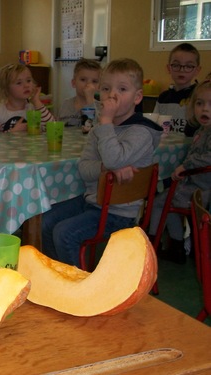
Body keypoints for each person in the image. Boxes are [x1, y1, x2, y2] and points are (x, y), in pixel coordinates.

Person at [41, 58, 162, 267]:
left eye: (122, 89)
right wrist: (106, 168)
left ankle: (80, 289)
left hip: (120, 212)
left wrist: (106, 123)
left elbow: (114, 158)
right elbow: (84, 168)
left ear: (137, 97)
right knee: (46, 221)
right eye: (106, 88)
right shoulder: (99, 129)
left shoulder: (140, 132)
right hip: (93, 201)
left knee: (64, 233)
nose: (112, 95)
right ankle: (61, 276)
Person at [148, 79, 211, 264]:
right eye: (200, 103)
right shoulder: (202, 129)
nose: (204, 109)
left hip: (202, 191)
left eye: (210, 104)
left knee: (161, 201)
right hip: (194, 185)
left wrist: (185, 166)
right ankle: (176, 244)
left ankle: (155, 243)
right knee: (166, 198)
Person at [153, 42, 201, 136]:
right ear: (168, 68)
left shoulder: (199, 97)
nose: (182, 70)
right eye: (176, 65)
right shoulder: (163, 98)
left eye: (188, 66)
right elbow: (155, 124)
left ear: (197, 70)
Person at [0, 63, 54, 133]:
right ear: (6, 89)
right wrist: (12, 132)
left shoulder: (34, 109)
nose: (26, 85)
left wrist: (36, 101)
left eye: (28, 81)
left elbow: (53, 128)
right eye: (19, 83)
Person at [58, 58, 102, 128]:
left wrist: (90, 100)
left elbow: (91, 129)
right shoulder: (65, 104)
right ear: (74, 83)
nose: (88, 84)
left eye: (94, 81)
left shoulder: (101, 107)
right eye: (83, 80)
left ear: (99, 86)